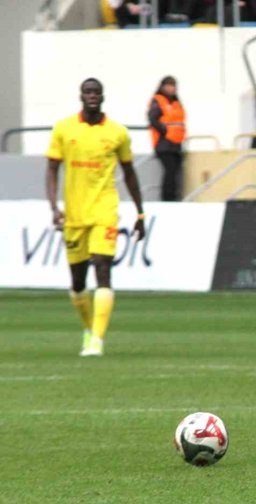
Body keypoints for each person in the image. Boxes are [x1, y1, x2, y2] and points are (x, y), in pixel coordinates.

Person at [45, 78, 146, 357]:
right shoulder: (64, 129)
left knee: (103, 268)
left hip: (104, 211)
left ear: (103, 97)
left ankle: (97, 341)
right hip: (75, 215)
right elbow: (52, 169)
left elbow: (129, 173)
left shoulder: (117, 133)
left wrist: (140, 212)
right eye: (87, 92)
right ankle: (90, 329)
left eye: (96, 92)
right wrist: (54, 207)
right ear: (81, 96)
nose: (92, 96)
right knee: (78, 283)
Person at [148, 76, 186, 201]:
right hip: (164, 143)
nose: (172, 88)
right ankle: (167, 198)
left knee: (175, 172)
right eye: (169, 85)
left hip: (176, 143)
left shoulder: (176, 103)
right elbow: (153, 119)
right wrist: (165, 132)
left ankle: (174, 197)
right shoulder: (158, 101)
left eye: (173, 86)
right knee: (169, 170)